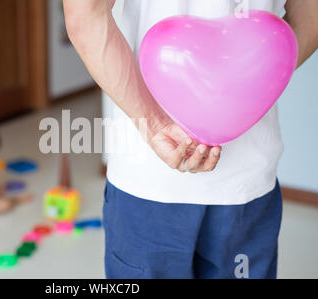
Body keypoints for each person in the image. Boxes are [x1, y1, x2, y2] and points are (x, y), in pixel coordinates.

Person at [63, 0, 318, 278]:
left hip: (147, 175)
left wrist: (155, 125)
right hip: (244, 177)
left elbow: (85, 15)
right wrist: (253, 81)